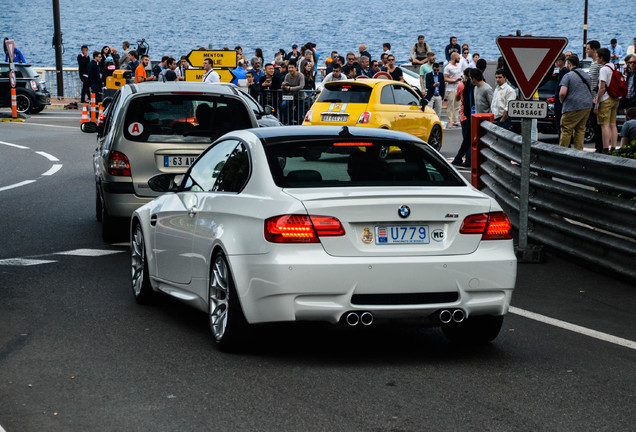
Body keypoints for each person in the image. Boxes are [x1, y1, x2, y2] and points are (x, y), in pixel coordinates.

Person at [558, 54, 593, 150]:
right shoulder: (586, 75)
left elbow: (562, 93)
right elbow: (590, 89)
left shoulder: (568, 76)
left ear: (569, 64)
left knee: (566, 129)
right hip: (586, 106)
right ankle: (578, 152)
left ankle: (562, 152)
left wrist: (562, 102)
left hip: (572, 107)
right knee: (580, 130)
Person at [595, 48, 620, 152]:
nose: (596, 59)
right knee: (613, 124)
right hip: (615, 98)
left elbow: (602, 88)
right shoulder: (614, 67)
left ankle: (605, 148)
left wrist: (597, 102)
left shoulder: (603, 69)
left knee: (604, 125)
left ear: (602, 58)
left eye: (597, 56)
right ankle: (613, 147)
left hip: (606, 99)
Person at [451, 68, 475, 168]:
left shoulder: (461, 85)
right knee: (469, 139)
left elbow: (457, 98)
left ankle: (464, 159)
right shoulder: (472, 86)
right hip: (470, 115)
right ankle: (466, 159)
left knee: (467, 138)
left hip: (464, 115)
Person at [586, 40, 604, 153]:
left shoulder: (598, 64)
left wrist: (597, 100)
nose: (586, 51)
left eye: (588, 48)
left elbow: (599, 83)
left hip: (596, 99)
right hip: (592, 98)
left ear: (593, 50)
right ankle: (599, 146)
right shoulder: (593, 63)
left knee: (598, 124)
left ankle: (600, 147)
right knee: (594, 124)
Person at [444, 52, 462, 127]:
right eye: (458, 57)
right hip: (450, 89)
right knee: (450, 105)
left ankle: (456, 120)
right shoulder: (448, 67)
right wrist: (454, 80)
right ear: (454, 58)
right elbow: (445, 78)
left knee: (457, 105)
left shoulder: (458, 66)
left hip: (457, 88)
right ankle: (449, 120)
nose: (459, 59)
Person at [553, 53, 568, 137]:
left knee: (560, 125)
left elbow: (561, 89)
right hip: (559, 101)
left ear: (561, 61)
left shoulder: (563, 72)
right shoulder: (561, 71)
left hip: (560, 103)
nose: (556, 62)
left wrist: (559, 99)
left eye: (557, 60)